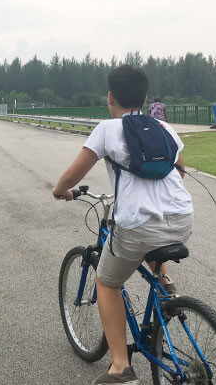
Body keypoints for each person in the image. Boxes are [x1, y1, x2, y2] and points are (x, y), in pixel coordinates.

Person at [52, 65, 194, 384]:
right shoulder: (164, 127)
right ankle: (164, 277)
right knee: (150, 240)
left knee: (107, 283)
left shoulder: (107, 128)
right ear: (144, 97)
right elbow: (180, 171)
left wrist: (61, 190)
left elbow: (74, 175)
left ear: (110, 97)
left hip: (138, 226)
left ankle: (120, 368)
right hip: (182, 216)